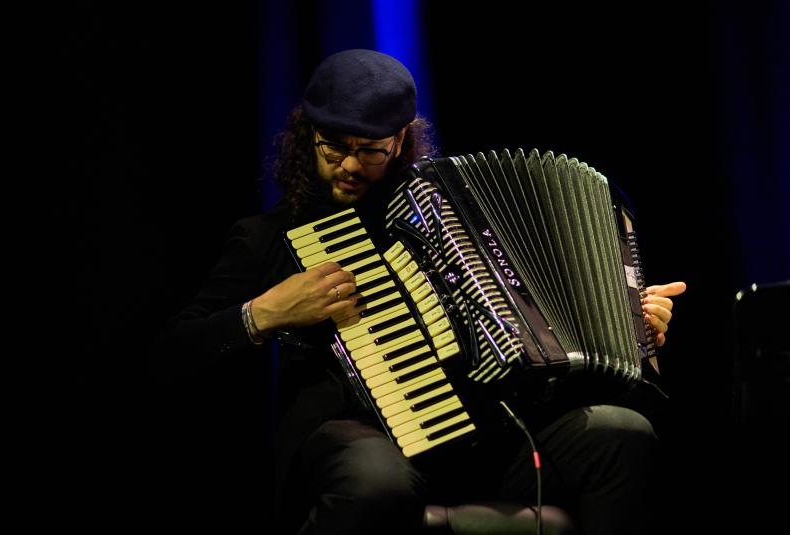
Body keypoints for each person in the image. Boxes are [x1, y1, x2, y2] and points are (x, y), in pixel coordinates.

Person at [155, 49, 687, 535]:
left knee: (623, 434)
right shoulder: (268, 238)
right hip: (361, 439)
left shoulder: (455, 219)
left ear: (401, 141)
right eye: (334, 147)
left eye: (371, 151)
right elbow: (171, 353)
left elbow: (542, 327)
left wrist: (626, 324)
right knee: (376, 482)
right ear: (305, 137)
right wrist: (262, 314)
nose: (349, 165)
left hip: (488, 436)